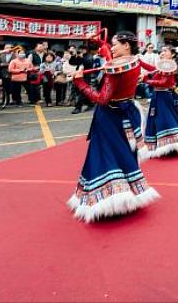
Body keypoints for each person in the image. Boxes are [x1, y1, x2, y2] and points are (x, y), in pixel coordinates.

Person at [68, 31, 159, 222]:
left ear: (126, 45)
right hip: (127, 112)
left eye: (115, 44)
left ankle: (109, 198)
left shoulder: (115, 69)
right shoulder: (135, 61)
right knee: (124, 153)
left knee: (104, 154)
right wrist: (104, 48)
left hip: (110, 116)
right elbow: (112, 60)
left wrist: (80, 82)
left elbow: (102, 98)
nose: (112, 48)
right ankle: (128, 194)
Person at [142, 45, 178, 158]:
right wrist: (139, 61)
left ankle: (171, 145)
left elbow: (163, 82)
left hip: (164, 96)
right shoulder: (162, 64)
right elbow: (152, 69)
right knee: (157, 119)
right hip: (158, 95)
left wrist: (147, 80)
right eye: (162, 51)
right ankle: (161, 145)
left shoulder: (170, 65)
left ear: (172, 54)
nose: (162, 53)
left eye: (165, 51)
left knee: (165, 120)